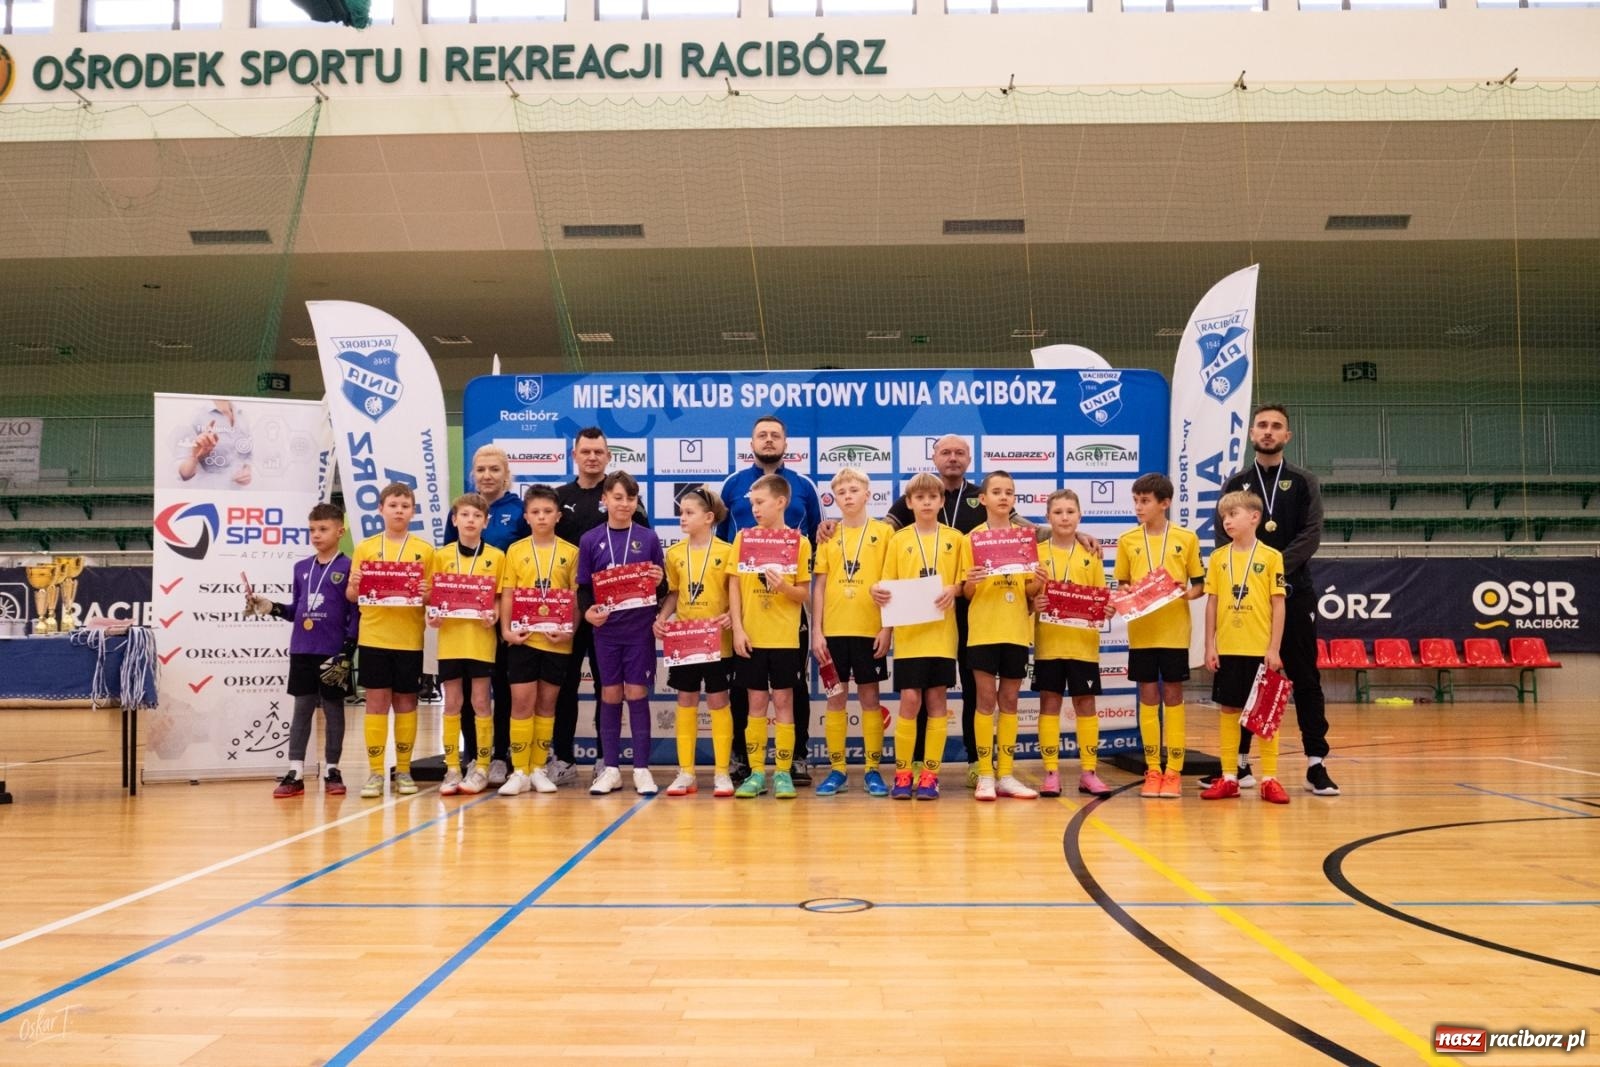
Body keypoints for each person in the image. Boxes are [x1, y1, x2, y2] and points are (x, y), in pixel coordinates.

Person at [1216, 404, 1339, 797]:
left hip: (1294, 593)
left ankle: (1316, 764)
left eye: (1276, 426)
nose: (1268, 431)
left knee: (1305, 677)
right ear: (1252, 433)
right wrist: (1252, 575)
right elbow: (1222, 536)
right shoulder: (1237, 482)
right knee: (1244, 681)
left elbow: (1311, 534)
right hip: (1245, 603)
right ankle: (1239, 765)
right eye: (1262, 425)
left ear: (1287, 436)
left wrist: (1269, 568)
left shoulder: (1304, 481)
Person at [717, 415, 823, 784]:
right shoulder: (733, 485)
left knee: (790, 691)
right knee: (748, 694)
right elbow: (722, 546)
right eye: (761, 435)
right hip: (748, 612)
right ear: (751, 442)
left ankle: (794, 760)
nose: (768, 440)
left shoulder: (803, 486)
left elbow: (817, 537)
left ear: (785, 442)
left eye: (775, 435)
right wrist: (735, 618)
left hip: (788, 617)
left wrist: (788, 585)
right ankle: (747, 762)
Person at [554, 428, 651, 785]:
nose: (592, 457)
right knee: (565, 684)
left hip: (615, 616)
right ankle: (563, 758)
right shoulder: (559, 497)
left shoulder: (627, 499)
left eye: (599, 451)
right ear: (574, 455)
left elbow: (643, 552)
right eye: (586, 451)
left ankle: (603, 760)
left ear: (609, 456)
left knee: (606, 686)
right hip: (571, 606)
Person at [247, 502, 359, 798]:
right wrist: (271, 607)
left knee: (334, 711)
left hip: (333, 651)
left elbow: (355, 612)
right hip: (302, 649)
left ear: (340, 531)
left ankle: (333, 769)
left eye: (323, 529)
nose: (316, 535)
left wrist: (348, 649)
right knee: (302, 710)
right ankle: (295, 772)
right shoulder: (301, 568)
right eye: (312, 530)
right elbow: (297, 610)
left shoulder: (350, 567)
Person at [1113, 473, 1205, 801]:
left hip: (1174, 632)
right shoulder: (1127, 540)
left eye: (1145, 501)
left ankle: (1174, 770)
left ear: (1164, 503)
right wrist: (1126, 590)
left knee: (1174, 696)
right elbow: (1121, 582)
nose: (1139, 507)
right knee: (1149, 696)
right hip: (1142, 633)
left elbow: (1199, 584)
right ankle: (1153, 769)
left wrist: (1184, 594)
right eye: (1136, 501)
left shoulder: (1186, 538)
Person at [873, 472, 964, 801]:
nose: (926, 503)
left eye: (932, 497)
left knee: (937, 700)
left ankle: (930, 775)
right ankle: (902, 773)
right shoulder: (898, 540)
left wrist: (954, 589)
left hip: (941, 634)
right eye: (920, 498)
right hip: (909, 635)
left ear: (941, 501)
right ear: (909, 503)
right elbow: (888, 587)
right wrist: (885, 627)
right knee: (910, 700)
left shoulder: (956, 538)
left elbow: (964, 582)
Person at [445, 445, 530, 790]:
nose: (487, 475)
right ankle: (472, 755)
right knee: (468, 690)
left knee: (505, 687)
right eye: (481, 469)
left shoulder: (519, 511)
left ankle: (501, 756)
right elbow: (448, 564)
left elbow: (528, 558)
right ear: (473, 474)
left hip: (506, 612)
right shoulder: (460, 509)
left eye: (494, 469)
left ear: (506, 474)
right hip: (468, 620)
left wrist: (503, 610)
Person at [577, 471, 665, 796]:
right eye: (617, 497)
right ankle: (611, 768)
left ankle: (641, 769)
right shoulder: (590, 540)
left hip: (639, 630)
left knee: (637, 693)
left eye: (630, 498)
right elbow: (583, 588)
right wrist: (587, 612)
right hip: (607, 632)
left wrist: (659, 580)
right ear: (604, 500)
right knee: (611, 694)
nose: (624, 504)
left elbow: (662, 588)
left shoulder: (648, 538)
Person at [1200, 490, 1290, 804]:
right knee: (1228, 710)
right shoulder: (1218, 557)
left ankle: (1270, 778)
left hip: (1260, 649)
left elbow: (1278, 605)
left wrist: (1274, 648)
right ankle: (1229, 777)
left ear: (1254, 517)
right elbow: (1212, 603)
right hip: (1228, 648)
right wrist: (1209, 645)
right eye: (1223, 516)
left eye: (1233, 514)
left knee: (1264, 714)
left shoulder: (1271, 556)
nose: (1227, 521)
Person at [959, 471, 1043, 802]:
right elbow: (966, 593)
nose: (1003, 497)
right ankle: (985, 774)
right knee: (984, 701)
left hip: (1015, 630)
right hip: (983, 630)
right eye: (996, 491)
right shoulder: (971, 539)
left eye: (1009, 492)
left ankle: (1006, 774)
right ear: (983, 499)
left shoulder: (1025, 538)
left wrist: (1038, 581)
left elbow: (1029, 591)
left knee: (1009, 701)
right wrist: (972, 581)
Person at [347, 483, 435, 799]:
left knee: (406, 703)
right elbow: (351, 595)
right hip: (374, 637)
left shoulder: (425, 550)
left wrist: (427, 593)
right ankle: (375, 773)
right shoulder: (366, 548)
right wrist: (355, 585)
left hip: (409, 639)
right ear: (381, 509)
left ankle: (404, 771)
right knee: (376, 703)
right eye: (393, 505)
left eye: (405, 506)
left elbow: (432, 597)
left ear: (413, 511)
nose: (399, 511)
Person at [729, 475, 814, 800]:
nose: (755, 509)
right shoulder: (743, 537)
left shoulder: (799, 542)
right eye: (752, 503)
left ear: (781, 502)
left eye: (760, 502)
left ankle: (782, 773)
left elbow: (804, 594)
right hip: (751, 636)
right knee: (755, 703)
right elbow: (733, 585)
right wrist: (738, 628)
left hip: (785, 639)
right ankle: (755, 774)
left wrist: (783, 587)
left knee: (783, 702)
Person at [810, 468, 894, 797]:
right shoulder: (828, 536)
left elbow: (891, 584)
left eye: (854, 490)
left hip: (869, 629)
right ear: (835, 498)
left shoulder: (884, 533)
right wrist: (817, 631)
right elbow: (819, 585)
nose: (847, 496)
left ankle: (872, 769)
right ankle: (837, 770)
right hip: (833, 632)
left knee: (870, 699)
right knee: (836, 698)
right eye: (841, 492)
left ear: (867, 494)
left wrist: (886, 628)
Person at [654, 487, 737, 797]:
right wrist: (662, 617)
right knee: (685, 700)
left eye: (689, 513)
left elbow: (737, 594)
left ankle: (722, 772)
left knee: (718, 701)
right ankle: (686, 772)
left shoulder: (727, 551)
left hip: (718, 639)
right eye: (681, 513)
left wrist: (731, 615)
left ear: (709, 517)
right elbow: (674, 593)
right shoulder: (675, 553)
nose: (682, 518)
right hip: (685, 639)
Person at [1031, 489, 1113, 799]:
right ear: (1047, 517)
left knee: (1086, 705)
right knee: (1049, 705)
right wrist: (1034, 602)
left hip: (1083, 645)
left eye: (1070, 512)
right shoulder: (1036, 553)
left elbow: (1102, 597)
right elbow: (1027, 596)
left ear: (1080, 515)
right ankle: (1051, 772)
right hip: (1049, 645)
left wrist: (1106, 609)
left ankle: (1089, 772)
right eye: (1058, 512)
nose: (1064, 517)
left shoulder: (1091, 555)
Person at [499, 485, 579, 795]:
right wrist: (506, 631)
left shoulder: (570, 552)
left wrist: (570, 629)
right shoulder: (516, 550)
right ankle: (519, 770)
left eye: (547, 511)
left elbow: (575, 598)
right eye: (535, 512)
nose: (542, 517)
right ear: (526, 516)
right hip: (524, 640)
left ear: (558, 516)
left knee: (547, 705)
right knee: (521, 703)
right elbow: (508, 593)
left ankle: (538, 768)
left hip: (557, 641)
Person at [430, 493, 505, 797]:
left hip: (480, 641)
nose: (470, 520)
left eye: (477, 516)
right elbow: (434, 599)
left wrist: (494, 615)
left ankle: (482, 767)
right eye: (465, 515)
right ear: (455, 520)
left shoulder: (496, 557)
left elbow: (498, 600)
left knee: (481, 702)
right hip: (450, 640)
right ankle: (452, 768)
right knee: (452, 703)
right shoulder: (441, 556)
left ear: (486, 522)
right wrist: (433, 615)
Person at [175, 398, 253, 487]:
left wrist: (247, 470)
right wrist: (194, 457)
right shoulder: (196, 414)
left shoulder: (242, 415)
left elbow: (247, 455)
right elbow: (183, 474)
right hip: (207, 491)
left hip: (237, 492)